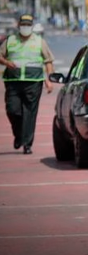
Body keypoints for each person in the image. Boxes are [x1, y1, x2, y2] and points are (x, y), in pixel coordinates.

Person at [0, 14, 55, 154]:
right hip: (13, 81)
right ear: (18, 26)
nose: (25, 27)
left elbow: (48, 60)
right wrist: (6, 62)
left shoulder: (39, 41)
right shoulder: (10, 40)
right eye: (23, 24)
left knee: (30, 113)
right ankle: (18, 135)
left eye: (28, 25)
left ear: (31, 26)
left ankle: (27, 143)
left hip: (34, 82)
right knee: (13, 110)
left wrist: (49, 79)